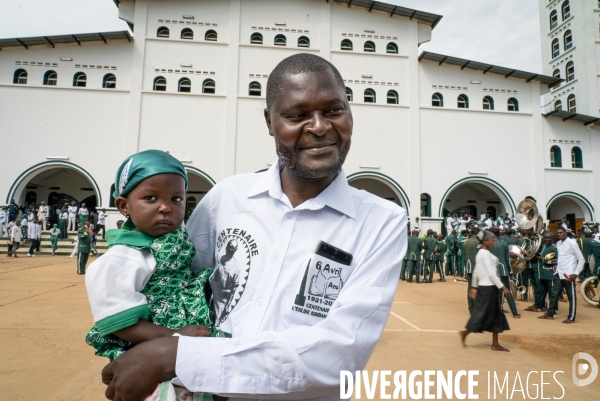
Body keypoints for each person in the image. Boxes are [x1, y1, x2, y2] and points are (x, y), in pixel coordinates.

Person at [100, 53, 407, 401]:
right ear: (269, 120)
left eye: (334, 110)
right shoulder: (227, 198)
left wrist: (175, 355)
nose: (320, 126)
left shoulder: (382, 221)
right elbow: (174, 284)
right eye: (297, 115)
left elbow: (338, 354)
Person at [85, 150, 229, 400]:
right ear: (124, 206)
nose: (165, 207)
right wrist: (175, 338)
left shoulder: (179, 243)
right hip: (148, 353)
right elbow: (122, 324)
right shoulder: (120, 259)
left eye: (176, 199)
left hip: (186, 347)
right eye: (150, 198)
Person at [460, 230, 511, 351]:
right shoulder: (485, 254)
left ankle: (495, 344)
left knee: (495, 315)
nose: (494, 242)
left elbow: (476, 271)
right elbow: (491, 273)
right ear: (486, 241)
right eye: (492, 240)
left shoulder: (481, 253)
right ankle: (465, 333)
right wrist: (503, 287)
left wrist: (474, 286)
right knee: (481, 315)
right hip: (488, 288)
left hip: (486, 287)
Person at [553, 226, 585, 323]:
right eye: (557, 233)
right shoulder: (558, 243)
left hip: (569, 274)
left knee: (571, 296)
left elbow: (581, 259)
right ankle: (550, 312)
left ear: (565, 232)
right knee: (554, 293)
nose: (559, 234)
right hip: (559, 273)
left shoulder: (572, 243)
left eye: (561, 232)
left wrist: (575, 273)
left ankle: (571, 317)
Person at [488, 228, 520, 319]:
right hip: (503, 269)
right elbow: (507, 260)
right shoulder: (503, 243)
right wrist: (510, 273)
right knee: (507, 291)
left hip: (491, 270)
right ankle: (515, 313)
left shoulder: (487, 243)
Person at [537, 232, 560, 320]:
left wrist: (544, 260)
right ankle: (541, 306)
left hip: (550, 274)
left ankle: (553, 309)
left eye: (548, 238)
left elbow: (557, 261)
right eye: (545, 238)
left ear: (552, 239)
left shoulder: (554, 248)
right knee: (542, 291)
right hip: (542, 273)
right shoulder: (543, 246)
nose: (547, 239)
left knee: (552, 293)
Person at [463, 227, 480, 313]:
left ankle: (471, 308)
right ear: (477, 233)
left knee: (470, 287)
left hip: (468, 267)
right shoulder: (478, 242)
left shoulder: (466, 242)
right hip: (477, 268)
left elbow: (464, 256)